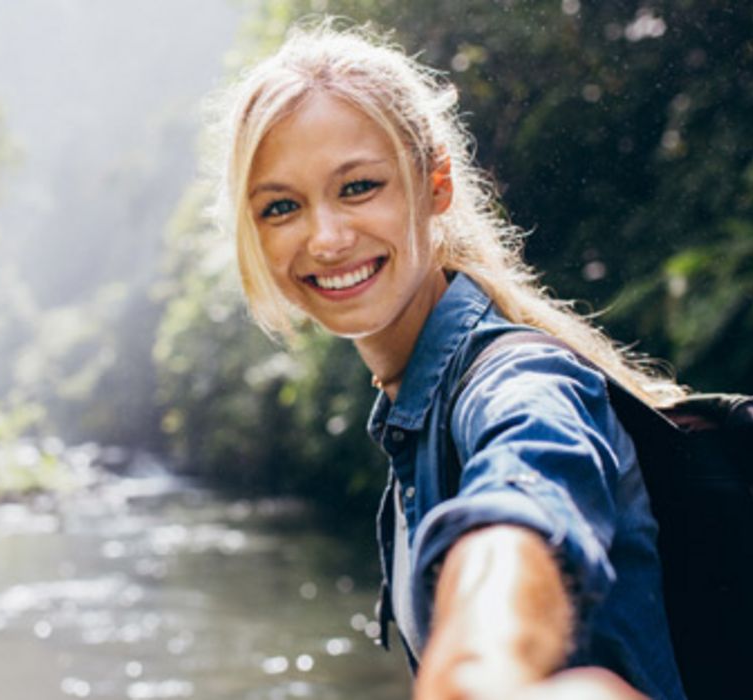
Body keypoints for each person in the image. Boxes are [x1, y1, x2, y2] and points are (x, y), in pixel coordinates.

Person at [212, 21, 689, 700]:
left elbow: (525, 500)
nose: (325, 238)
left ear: (434, 183)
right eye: (281, 206)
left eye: (357, 187)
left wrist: (480, 663)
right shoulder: (412, 406)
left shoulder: (518, 379)